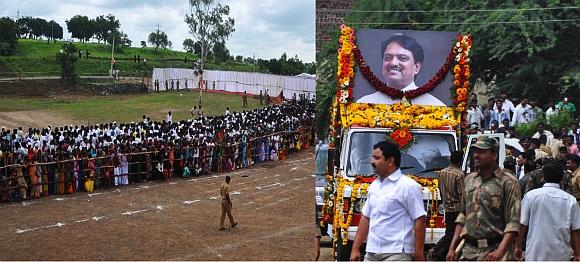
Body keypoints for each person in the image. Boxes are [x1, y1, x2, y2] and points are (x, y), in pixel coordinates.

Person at [446, 136, 521, 261]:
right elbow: (463, 215)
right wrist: (452, 248)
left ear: (494, 155)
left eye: (481, 151)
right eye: (475, 152)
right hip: (469, 252)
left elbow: (513, 222)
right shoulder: (469, 180)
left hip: (495, 252)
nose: (476, 155)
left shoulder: (508, 182)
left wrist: (500, 251)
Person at [350, 141, 426, 261]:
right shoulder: (375, 185)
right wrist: (355, 248)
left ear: (390, 161)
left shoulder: (408, 186)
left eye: (377, 158)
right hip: (372, 252)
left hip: (397, 253)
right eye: (372, 157)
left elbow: (420, 219)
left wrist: (418, 253)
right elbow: (366, 217)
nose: (372, 162)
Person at [516, 160, 580, 261]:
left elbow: (522, 224)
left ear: (543, 177)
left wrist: (517, 246)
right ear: (561, 178)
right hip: (560, 254)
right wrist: (577, 253)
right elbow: (575, 230)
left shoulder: (531, 196)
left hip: (535, 253)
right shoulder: (570, 200)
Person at [357, 34, 445, 106]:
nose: (393, 63)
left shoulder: (434, 105)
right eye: (388, 58)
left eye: (402, 58)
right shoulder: (364, 103)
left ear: (416, 67)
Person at [430, 150, 464, 260]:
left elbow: (440, 189)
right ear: (460, 161)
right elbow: (462, 194)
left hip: (447, 208)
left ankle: (440, 252)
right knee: (455, 234)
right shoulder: (459, 174)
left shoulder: (442, 172)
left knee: (449, 232)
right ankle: (437, 252)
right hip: (458, 208)